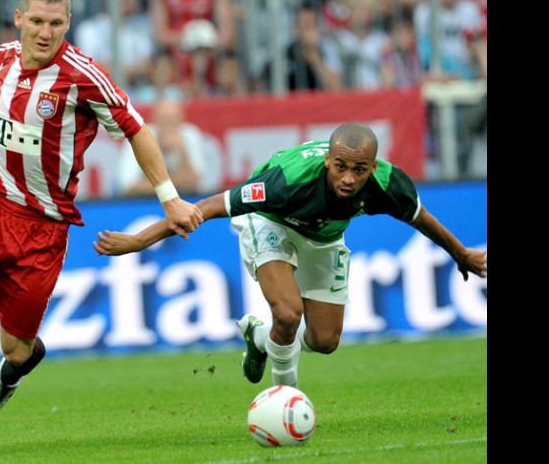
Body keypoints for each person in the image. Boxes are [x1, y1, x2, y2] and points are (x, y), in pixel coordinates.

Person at [0, 0, 203, 459]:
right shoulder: (3, 58)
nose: (44, 32)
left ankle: (14, 369)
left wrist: (170, 198)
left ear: (67, 25)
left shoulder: (83, 77)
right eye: (36, 21)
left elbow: (137, 129)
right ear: (18, 19)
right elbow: (0, 110)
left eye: (55, 24)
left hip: (42, 228)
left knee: (16, 347)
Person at [93, 123, 486, 392]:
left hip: (325, 238)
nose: (349, 177)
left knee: (326, 340)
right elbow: (208, 206)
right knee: (287, 312)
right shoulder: (286, 181)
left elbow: (421, 218)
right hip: (270, 223)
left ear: (372, 166)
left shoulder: (388, 183)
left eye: (359, 169)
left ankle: (258, 339)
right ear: (329, 160)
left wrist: (461, 254)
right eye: (341, 167)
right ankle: (286, 395)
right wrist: (140, 240)